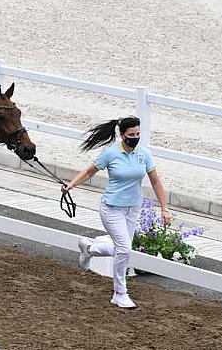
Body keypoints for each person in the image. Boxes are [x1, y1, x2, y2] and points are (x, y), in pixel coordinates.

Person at [62, 116, 170, 309]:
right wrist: (71, 185)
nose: (135, 138)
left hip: (133, 208)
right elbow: (89, 172)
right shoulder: (110, 153)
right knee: (124, 249)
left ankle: (89, 249)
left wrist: (164, 208)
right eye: (131, 135)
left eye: (138, 134)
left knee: (123, 249)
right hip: (111, 208)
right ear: (122, 135)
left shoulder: (144, 154)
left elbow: (155, 181)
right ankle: (119, 293)